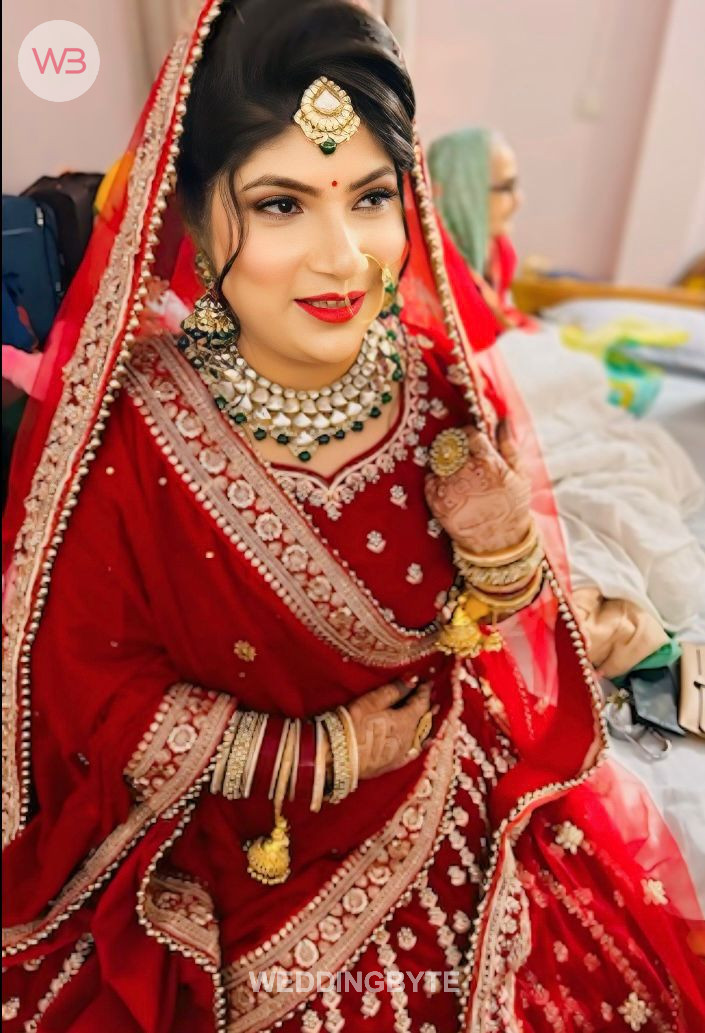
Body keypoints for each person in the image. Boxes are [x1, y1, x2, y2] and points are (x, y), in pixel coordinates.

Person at [2, 2, 703, 1030]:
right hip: (231, 849)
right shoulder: (134, 432)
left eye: (369, 197)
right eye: (282, 204)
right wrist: (321, 753)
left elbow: (488, 629)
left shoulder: (439, 386)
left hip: (445, 799)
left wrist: (503, 546)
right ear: (194, 212)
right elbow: (89, 690)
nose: (342, 258)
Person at [428, 127, 535, 330]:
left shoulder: (500, 252)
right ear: (463, 194)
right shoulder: (431, 268)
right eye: (506, 187)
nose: (519, 200)